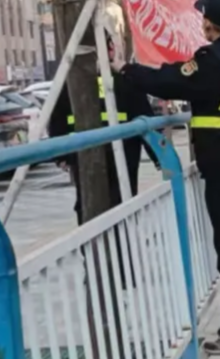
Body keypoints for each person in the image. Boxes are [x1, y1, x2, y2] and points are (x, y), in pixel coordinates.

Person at [119, 0, 220, 355]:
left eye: (204, 18)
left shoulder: (214, 61)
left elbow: (173, 81)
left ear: (209, 24)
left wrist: (131, 72)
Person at [49, 31, 160, 224]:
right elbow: (144, 117)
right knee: (122, 201)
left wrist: (61, 156)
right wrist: (158, 155)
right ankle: (120, 240)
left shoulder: (72, 82)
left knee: (88, 205)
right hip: (123, 152)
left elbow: (57, 119)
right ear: (109, 48)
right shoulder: (125, 80)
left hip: (84, 153)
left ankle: (93, 240)